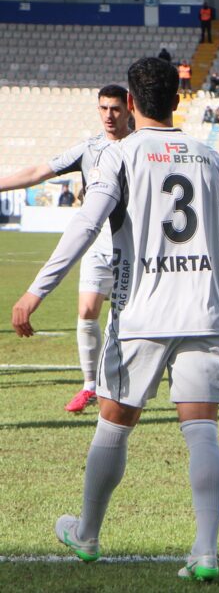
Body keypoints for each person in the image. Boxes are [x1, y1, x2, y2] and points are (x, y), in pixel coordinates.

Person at [11, 57, 219, 581]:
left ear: (131, 104)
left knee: (113, 424)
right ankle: (205, 551)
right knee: (202, 431)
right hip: (204, 314)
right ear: (178, 100)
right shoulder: (211, 159)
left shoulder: (120, 154)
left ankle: (87, 534)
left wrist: (36, 290)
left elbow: (86, 224)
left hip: (141, 315)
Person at [0, 84, 131, 413]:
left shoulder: (139, 146)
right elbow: (37, 172)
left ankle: (120, 385)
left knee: (125, 320)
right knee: (86, 311)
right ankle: (89, 386)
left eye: (115, 108)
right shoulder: (89, 149)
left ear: (129, 108)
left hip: (131, 246)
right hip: (96, 243)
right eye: (103, 108)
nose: (109, 115)